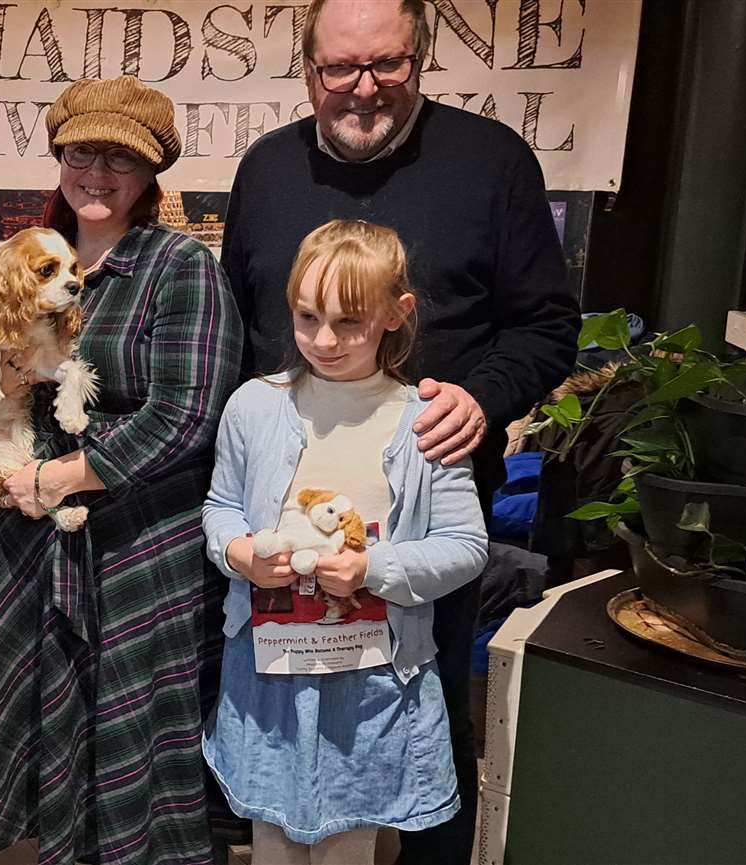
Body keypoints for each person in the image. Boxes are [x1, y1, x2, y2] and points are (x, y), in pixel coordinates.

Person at [219, 1, 579, 857]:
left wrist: (482, 397)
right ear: (306, 68)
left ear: (421, 55)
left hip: (424, 507)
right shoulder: (266, 168)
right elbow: (238, 330)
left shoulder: (493, 162)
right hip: (280, 532)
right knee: (283, 713)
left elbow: (546, 325)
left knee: (421, 720)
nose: (363, 89)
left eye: (388, 65)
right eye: (339, 69)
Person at [0, 76, 242, 865]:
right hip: (31, 537)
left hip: (137, 542)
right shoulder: (33, 259)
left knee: (134, 731)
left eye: (121, 157)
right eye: (83, 152)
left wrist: (61, 478)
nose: (98, 172)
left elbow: (187, 416)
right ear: (60, 159)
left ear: (152, 174)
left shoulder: (180, 266)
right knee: (57, 721)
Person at [201, 219, 488, 863]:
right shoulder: (254, 406)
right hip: (269, 673)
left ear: (397, 313)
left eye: (350, 322)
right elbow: (221, 506)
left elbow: (466, 545)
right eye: (307, 317)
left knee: (350, 846)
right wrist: (238, 552)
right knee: (273, 843)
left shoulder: (424, 419)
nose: (324, 340)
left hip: (374, 687)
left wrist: (372, 567)